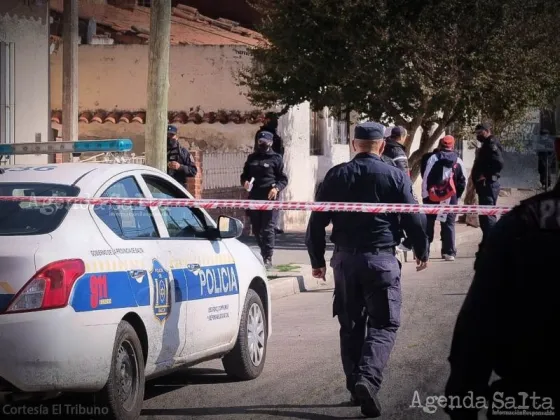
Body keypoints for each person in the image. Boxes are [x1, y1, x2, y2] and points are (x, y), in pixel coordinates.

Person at [305, 122, 429, 418]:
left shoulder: (336, 175)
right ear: (382, 146)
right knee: (384, 324)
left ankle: (353, 387)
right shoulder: (396, 176)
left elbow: (316, 222)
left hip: (345, 262)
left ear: (353, 144)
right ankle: (368, 380)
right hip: (381, 261)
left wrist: (317, 261)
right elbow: (414, 219)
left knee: (350, 325)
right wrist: (422, 250)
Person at [444, 182, 560, 420]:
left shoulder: (525, 223)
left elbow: (478, 322)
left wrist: (463, 400)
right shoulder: (524, 223)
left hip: (531, 399)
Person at [241, 131, 288, 269]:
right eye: (260, 142)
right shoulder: (252, 158)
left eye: (265, 142)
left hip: (270, 198)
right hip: (255, 197)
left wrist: (276, 188)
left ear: (271, 143)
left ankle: (268, 257)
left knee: (268, 228)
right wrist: (245, 182)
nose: (262, 144)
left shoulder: (276, 158)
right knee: (256, 229)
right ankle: (262, 252)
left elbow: (283, 179)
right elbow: (244, 175)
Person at [421, 135, 467, 261]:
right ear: (452, 146)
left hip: (432, 196)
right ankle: (449, 252)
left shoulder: (433, 158)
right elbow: (463, 181)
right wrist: (457, 196)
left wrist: (425, 195)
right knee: (449, 224)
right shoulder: (458, 160)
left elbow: (426, 178)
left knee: (428, 224)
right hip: (450, 197)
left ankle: (425, 253)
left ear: (441, 145)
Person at [471, 123, 504, 245]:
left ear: (487, 131)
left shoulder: (491, 144)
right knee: (484, 217)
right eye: (477, 133)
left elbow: (499, 163)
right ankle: (486, 244)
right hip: (485, 185)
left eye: (480, 133)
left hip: (489, 184)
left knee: (488, 217)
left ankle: (492, 245)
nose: (478, 135)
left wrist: (486, 175)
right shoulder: (486, 144)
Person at [254, 112, 285, 234]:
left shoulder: (275, 136)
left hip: (274, 169)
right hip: (263, 169)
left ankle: (271, 224)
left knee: (274, 197)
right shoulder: (263, 135)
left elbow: (279, 154)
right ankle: (265, 225)